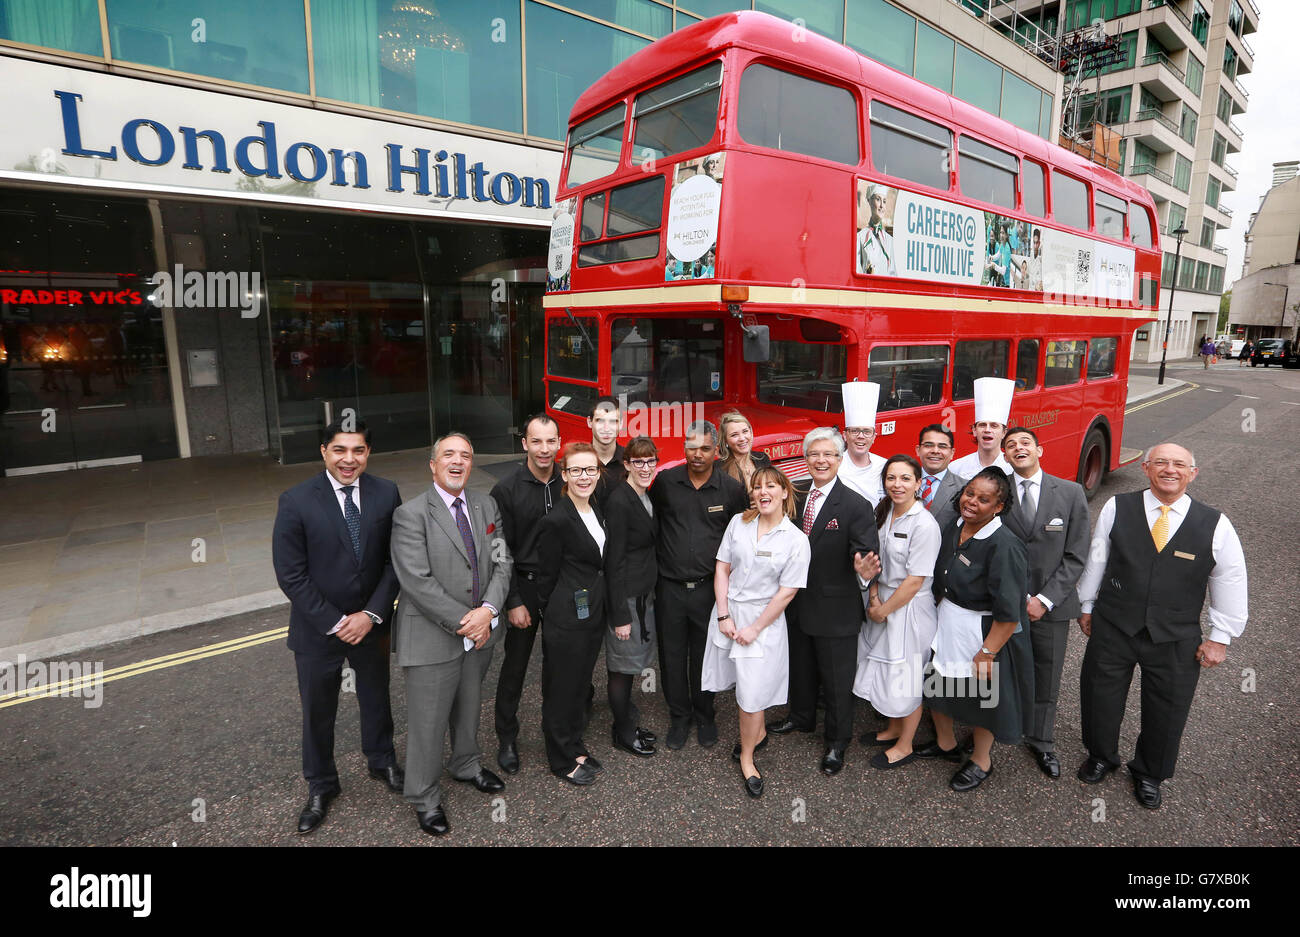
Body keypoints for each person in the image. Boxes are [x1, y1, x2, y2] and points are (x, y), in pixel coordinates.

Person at [1075, 443, 1247, 809]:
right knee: (1099, 695)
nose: (1171, 470)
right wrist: (1087, 604)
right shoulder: (1117, 507)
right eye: (1162, 463)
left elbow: (1229, 578)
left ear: (1193, 473)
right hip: (1115, 624)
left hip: (1176, 634)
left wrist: (1221, 637)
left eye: (1180, 464)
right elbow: (1098, 558)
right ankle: (1101, 756)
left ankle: (1150, 772)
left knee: (1168, 708)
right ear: (1147, 469)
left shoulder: (1215, 523)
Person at [272, 419, 404, 835]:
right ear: (324, 452)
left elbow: (394, 562)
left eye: (359, 451)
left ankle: (382, 761)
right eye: (340, 450)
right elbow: (291, 575)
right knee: (318, 711)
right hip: (318, 630)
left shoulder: (386, 493)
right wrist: (335, 621)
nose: (350, 460)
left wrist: (371, 615)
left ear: (368, 453)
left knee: (376, 698)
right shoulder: (295, 501)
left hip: (372, 624)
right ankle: (321, 784)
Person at [390, 432, 511, 836]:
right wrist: (469, 620)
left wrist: (490, 611)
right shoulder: (411, 514)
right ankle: (423, 797)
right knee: (427, 723)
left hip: (480, 631)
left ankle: (466, 764)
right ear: (433, 464)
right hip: (432, 635)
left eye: (465, 456)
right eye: (448, 455)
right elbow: (417, 582)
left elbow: (501, 562)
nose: (457, 461)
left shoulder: (486, 504)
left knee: (469, 706)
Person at [767, 428, 880, 776]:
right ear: (805, 458)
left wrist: (863, 569)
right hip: (795, 604)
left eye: (829, 454)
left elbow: (866, 555)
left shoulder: (856, 504)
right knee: (799, 668)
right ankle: (801, 717)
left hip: (836, 609)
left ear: (840, 459)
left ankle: (836, 741)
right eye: (814, 454)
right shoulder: (794, 494)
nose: (821, 460)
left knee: (835, 680)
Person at [922, 467, 1036, 792]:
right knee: (937, 685)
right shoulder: (954, 526)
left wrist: (987, 653)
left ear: (998, 507)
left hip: (984, 630)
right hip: (947, 621)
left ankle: (981, 760)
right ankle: (945, 744)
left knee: (985, 699)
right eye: (970, 493)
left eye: (983, 499)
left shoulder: (1005, 545)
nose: (972, 502)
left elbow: (1010, 611)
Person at [702, 468, 811, 797]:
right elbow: (722, 567)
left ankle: (747, 757)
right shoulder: (739, 523)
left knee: (751, 695)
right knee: (740, 683)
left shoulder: (796, 540)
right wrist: (723, 614)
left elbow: (786, 593)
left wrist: (755, 628)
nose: (763, 492)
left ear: (784, 492)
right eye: (757, 487)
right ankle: (758, 733)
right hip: (728, 613)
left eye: (770, 487)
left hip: (762, 623)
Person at [651, 420, 750, 750]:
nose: (697, 454)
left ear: (717, 451)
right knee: (672, 655)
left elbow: (741, 536)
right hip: (670, 587)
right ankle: (679, 716)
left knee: (707, 656)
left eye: (705, 448)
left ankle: (705, 715)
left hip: (710, 589)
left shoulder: (731, 489)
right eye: (691, 447)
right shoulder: (665, 483)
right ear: (684, 449)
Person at [1000, 426, 1090, 779]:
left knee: (1046, 674)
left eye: (1025, 443)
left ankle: (1041, 740)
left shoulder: (1069, 493)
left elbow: (1077, 554)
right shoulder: (997, 491)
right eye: (1011, 445)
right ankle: (996, 728)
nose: (1018, 448)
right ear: (1005, 456)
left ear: (1040, 450)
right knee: (999, 670)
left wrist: (1044, 599)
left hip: (1050, 607)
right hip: (1004, 604)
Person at [853, 454, 941, 770]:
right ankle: (892, 728)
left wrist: (884, 610)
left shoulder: (924, 524)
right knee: (887, 669)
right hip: (881, 601)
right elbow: (872, 558)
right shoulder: (884, 513)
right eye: (891, 478)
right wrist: (874, 597)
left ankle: (905, 744)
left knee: (907, 676)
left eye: (905, 478)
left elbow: (915, 580)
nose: (897, 484)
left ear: (919, 483)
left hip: (908, 609)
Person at [489, 414, 563, 776]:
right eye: (537, 441)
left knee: (559, 663)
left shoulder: (570, 480)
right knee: (515, 666)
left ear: (559, 442)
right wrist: (514, 600)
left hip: (562, 587)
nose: (545, 449)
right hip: (526, 586)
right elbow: (499, 550)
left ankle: (559, 731)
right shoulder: (505, 489)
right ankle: (506, 736)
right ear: (525, 443)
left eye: (551, 441)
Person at [536, 443, 610, 786]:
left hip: (592, 614)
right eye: (576, 470)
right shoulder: (556, 520)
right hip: (565, 619)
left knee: (580, 685)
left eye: (590, 470)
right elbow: (546, 575)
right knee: (561, 688)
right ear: (564, 474)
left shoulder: (594, 507)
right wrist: (553, 613)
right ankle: (560, 757)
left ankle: (574, 743)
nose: (585, 477)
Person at [603, 436, 662, 758]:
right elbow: (613, 560)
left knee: (629, 666)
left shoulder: (644, 495)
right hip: (625, 599)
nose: (645, 467)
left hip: (642, 593)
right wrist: (620, 616)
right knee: (621, 669)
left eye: (650, 461)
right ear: (626, 464)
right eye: (638, 461)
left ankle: (625, 723)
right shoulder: (620, 500)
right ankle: (623, 733)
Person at [948, 377, 1014, 477]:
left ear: (1004, 432)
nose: (987, 430)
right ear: (974, 430)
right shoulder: (955, 468)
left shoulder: (1013, 469)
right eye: (982, 425)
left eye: (994, 426)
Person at [837, 381, 886, 507]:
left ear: (874, 437)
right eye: (854, 431)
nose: (860, 436)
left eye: (867, 432)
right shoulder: (835, 466)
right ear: (845, 436)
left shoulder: (885, 466)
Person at [916, 423, 968, 531]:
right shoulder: (903, 483)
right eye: (928, 445)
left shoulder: (965, 488)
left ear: (952, 453)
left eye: (942, 446)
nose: (935, 451)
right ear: (918, 450)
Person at [717, 410, 773, 491]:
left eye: (745, 431)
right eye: (734, 435)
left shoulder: (763, 458)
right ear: (725, 440)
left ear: (750, 432)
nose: (742, 438)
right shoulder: (718, 469)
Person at [857, 183, 896, 276]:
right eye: (878, 199)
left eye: (885, 201)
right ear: (869, 201)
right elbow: (857, 271)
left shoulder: (890, 240)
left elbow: (893, 273)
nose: (882, 205)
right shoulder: (860, 237)